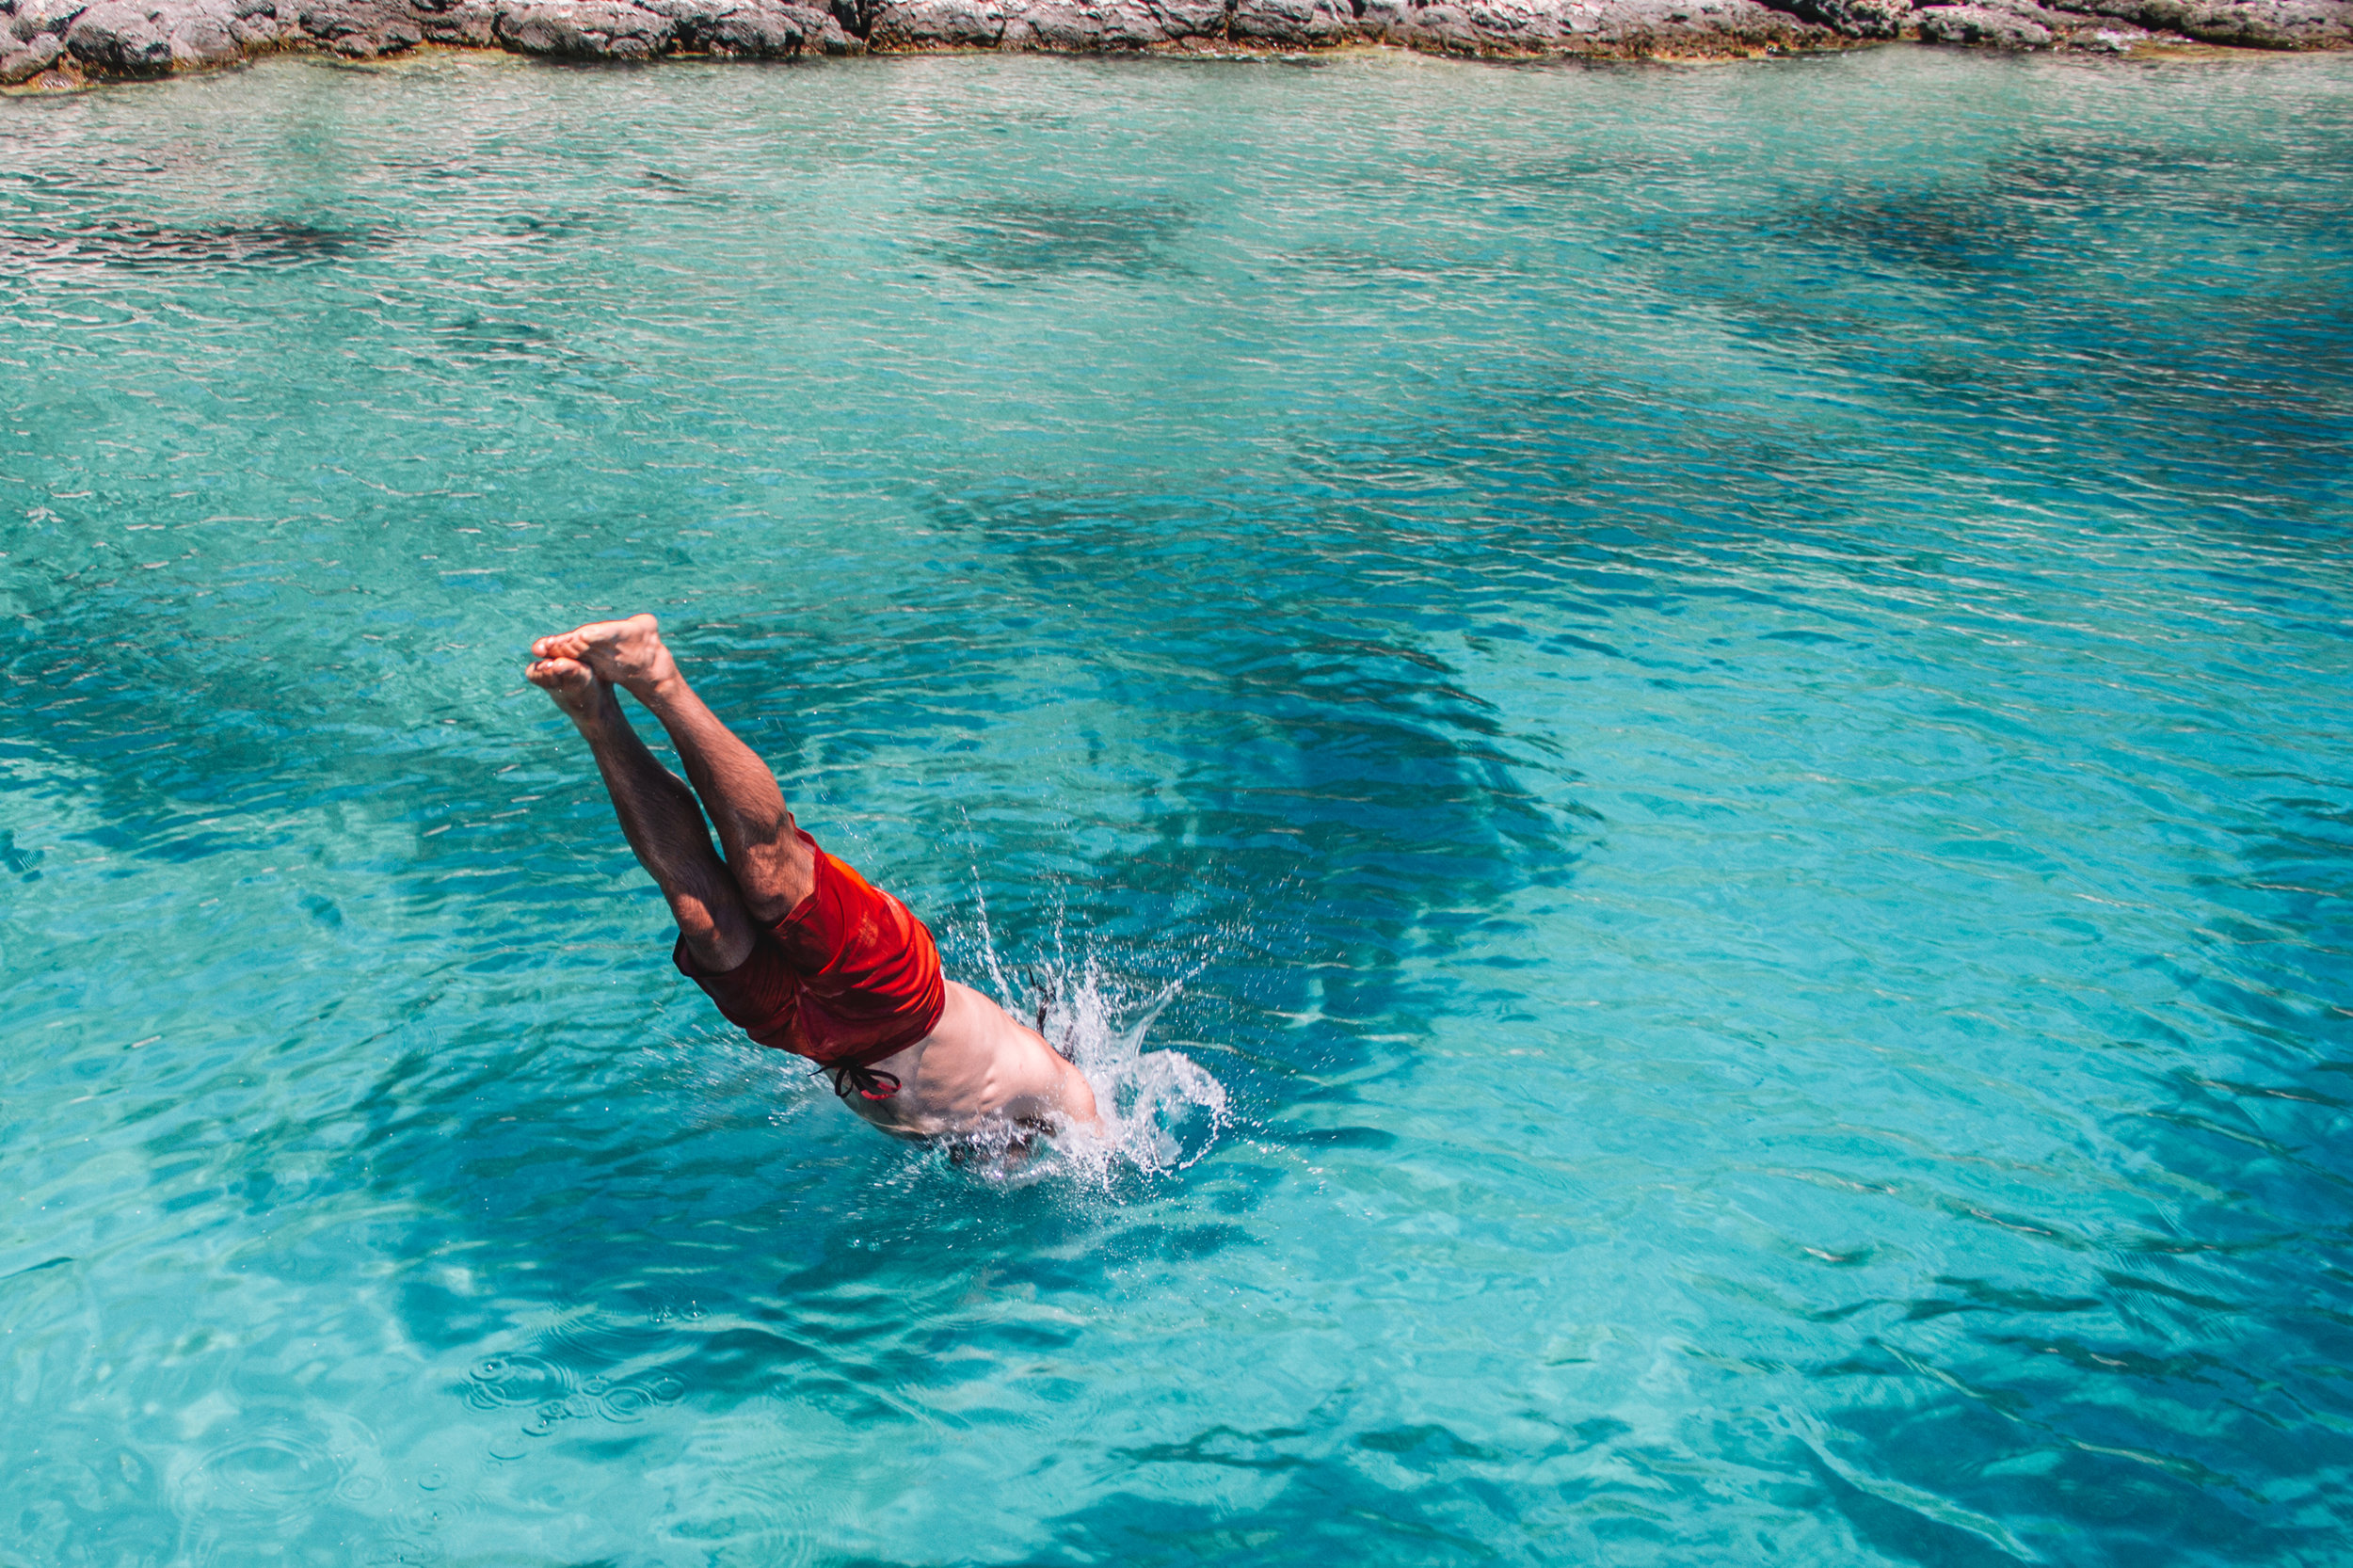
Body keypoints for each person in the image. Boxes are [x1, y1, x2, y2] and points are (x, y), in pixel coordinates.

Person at [524, 615, 1100, 1145]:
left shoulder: (980, 1136)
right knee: (772, 874)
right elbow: (1101, 1145)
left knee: (705, 920)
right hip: (898, 1000)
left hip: (807, 1035)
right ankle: (657, 675)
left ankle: (594, 712)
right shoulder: (1057, 1085)